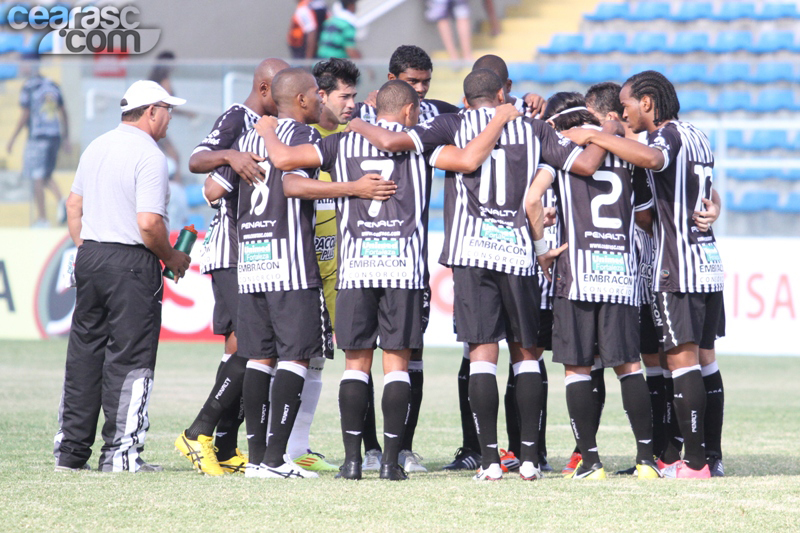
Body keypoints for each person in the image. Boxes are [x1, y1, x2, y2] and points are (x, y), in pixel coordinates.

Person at [350, 69, 611, 481]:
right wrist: (600, 131)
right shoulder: (533, 130)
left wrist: (358, 117)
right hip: (519, 255)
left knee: (481, 355)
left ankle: (489, 460)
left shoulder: (451, 123)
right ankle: (528, 460)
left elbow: (395, 141)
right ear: (504, 92)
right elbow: (588, 164)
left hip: (471, 255)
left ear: (467, 100)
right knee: (526, 356)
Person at [258, 78, 521, 480]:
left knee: (355, 366)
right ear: (411, 111)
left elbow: (284, 167)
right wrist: (501, 117)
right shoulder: (420, 143)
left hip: (356, 269)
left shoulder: (340, 142)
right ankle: (393, 462)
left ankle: (351, 462)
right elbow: (469, 159)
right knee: (397, 367)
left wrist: (268, 132)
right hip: (403, 270)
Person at [203, 68, 392, 479]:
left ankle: (256, 460)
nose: (322, 102)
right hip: (290, 266)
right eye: (316, 96)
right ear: (304, 101)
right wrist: (353, 188)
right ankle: (276, 460)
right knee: (295, 357)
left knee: (259, 358)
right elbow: (293, 185)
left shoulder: (249, 137)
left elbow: (212, 190)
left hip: (251, 261)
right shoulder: (303, 137)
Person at [562, 70, 726, 479]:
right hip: (707, 264)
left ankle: (695, 463)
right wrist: (714, 207)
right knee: (703, 363)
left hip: (675, 267)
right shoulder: (697, 134)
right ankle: (707, 456)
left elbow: (653, 160)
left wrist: (598, 137)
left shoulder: (664, 138)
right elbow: (705, 187)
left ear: (647, 103)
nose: (625, 112)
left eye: (628, 104)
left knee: (682, 363)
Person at [53, 80, 190, 473]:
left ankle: (71, 453)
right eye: (168, 109)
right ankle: (120, 455)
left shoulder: (97, 145)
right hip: (132, 261)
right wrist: (172, 256)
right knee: (130, 358)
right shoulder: (150, 155)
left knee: (84, 356)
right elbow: (148, 224)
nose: (170, 117)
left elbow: (73, 204)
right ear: (151, 111)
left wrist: (85, 249)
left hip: (91, 254)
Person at [528, 92, 660, 480]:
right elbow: (646, 217)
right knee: (629, 366)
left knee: (578, 369)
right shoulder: (626, 155)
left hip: (577, 272)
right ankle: (647, 462)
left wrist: (542, 251)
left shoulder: (559, 151)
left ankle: (591, 462)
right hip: (619, 272)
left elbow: (532, 201)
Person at [173, 59, 289, 476]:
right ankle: (197, 431)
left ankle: (223, 445)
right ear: (263, 91)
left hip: (258, 253)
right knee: (252, 347)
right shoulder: (238, 117)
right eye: (283, 96)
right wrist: (233, 156)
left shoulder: (274, 129)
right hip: (232, 252)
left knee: (247, 348)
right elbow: (199, 164)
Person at [284, 57, 362, 474]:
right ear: (320, 95)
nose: (350, 104)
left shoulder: (355, 137)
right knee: (290, 356)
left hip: (342, 268)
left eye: (354, 95)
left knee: (318, 357)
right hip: (301, 265)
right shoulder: (304, 139)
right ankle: (273, 446)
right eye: (343, 96)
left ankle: (298, 447)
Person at [7, 57, 70, 227]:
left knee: (36, 176)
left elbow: (25, 114)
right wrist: (66, 138)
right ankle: (62, 201)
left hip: (38, 137)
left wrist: (12, 139)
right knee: (45, 175)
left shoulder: (29, 86)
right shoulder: (53, 85)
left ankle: (42, 219)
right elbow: (63, 113)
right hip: (54, 136)